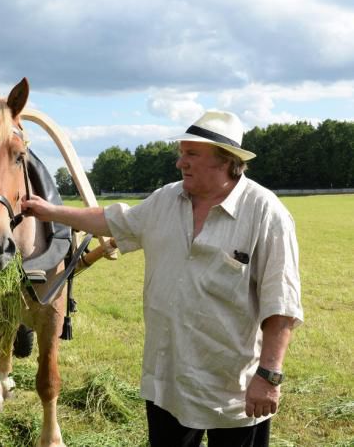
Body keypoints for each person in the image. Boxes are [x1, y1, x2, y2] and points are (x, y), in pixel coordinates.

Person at [22, 110, 303, 447]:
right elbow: (112, 221)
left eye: (191, 154)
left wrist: (268, 376)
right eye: (181, 152)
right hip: (167, 382)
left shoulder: (266, 213)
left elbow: (281, 305)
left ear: (226, 161)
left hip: (233, 389)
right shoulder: (166, 200)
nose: (180, 162)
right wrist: (49, 211)